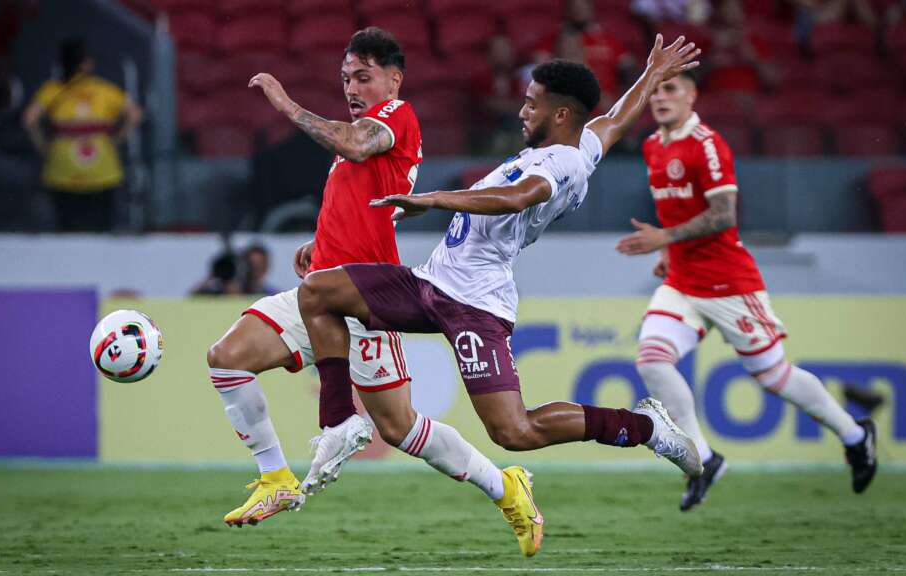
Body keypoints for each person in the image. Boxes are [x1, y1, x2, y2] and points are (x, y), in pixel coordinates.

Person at [297, 36, 704, 557]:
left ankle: (645, 427)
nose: (521, 109)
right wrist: (650, 74)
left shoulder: (561, 166)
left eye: (531, 102)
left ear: (559, 113)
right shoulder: (574, 144)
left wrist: (434, 200)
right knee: (319, 290)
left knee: (515, 432)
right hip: (430, 284)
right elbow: (613, 122)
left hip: (475, 305)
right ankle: (338, 422)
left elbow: (516, 196)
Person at [209, 30, 510, 545]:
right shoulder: (358, 135)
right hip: (322, 289)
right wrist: (319, 241)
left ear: (394, 79)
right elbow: (360, 203)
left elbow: (353, 142)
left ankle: (504, 487)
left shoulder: (397, 115)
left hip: (368, 297)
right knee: (227, 357)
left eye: (363, 76)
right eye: (346, 78)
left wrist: (286, 105)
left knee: (402, 429)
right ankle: (276, 478)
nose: (352, 87)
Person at [614, 72, 878, 512]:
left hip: (728, 282)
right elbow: (683, 212)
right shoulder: (652, 146)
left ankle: (855, 435)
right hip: (682, 280)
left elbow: (722, 214)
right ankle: (705, 456)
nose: (660, 98)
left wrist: (663, 237)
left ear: (692, 96)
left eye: (671, 89)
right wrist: (670, 249)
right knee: (652, 360)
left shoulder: (707, 144)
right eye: (656, 90)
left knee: (774, 376)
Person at [22, 38, 143, 232]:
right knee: (101, 231)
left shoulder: (52, 90)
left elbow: (29, 119)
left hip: (62, 167)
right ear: (86, 64)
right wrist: (117, 139)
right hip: (101, 167)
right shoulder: (104, 89)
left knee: (66, 232)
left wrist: (43, 147)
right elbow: (135, 114)